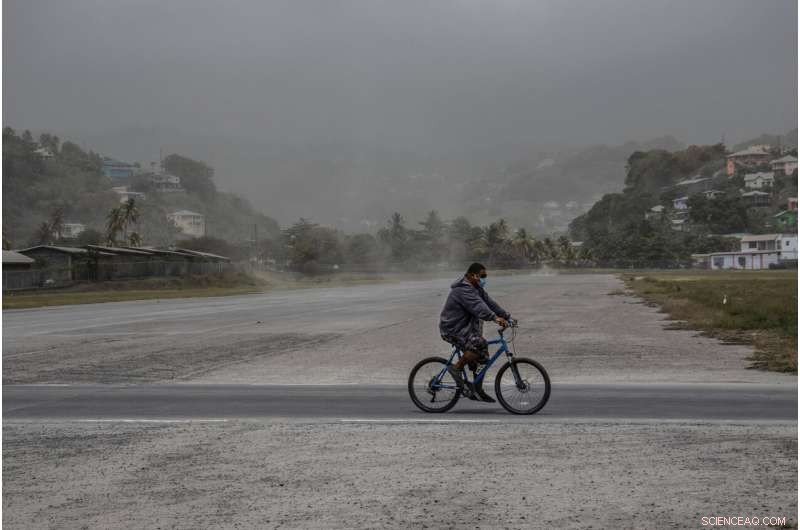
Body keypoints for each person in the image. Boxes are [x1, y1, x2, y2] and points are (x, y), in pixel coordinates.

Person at [439, 262, 510, 402]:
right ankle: (456, 368)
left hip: (465, 329)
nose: (484, 279)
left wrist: (507, 316)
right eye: (482, 276)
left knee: (483, 356)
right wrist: (495, 318)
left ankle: (477, 389)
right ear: (473, 275)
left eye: (485, 276)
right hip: (452, 329)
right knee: (479, 343)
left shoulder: (476, 288)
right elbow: (479, 308)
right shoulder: (463, 289)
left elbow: (490, 303)